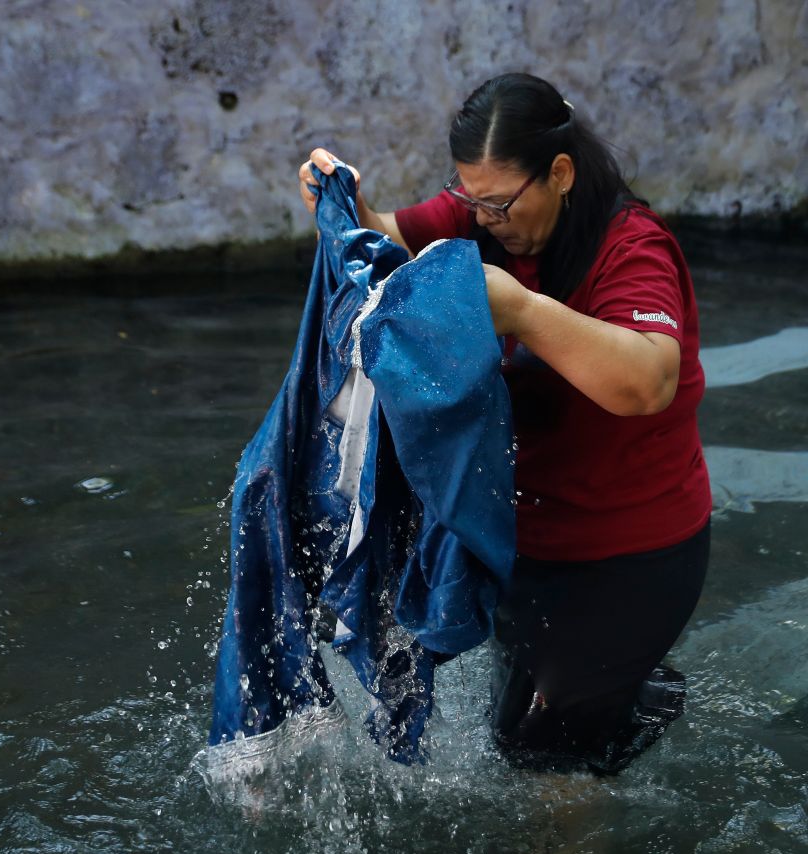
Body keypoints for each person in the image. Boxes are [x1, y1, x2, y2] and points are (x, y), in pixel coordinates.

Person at [297, 72, 712, 773]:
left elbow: (648, 382)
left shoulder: (630, 247)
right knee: (517, 737)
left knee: (549, 763)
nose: (483, 217)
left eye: (499, 202)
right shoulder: (479, 218)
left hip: (632, 549)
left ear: (560, 173)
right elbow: (386, 237)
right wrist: (343, 198)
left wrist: (518, 309)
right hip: (528, 544)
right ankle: (632, 700)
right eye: (470, 198)